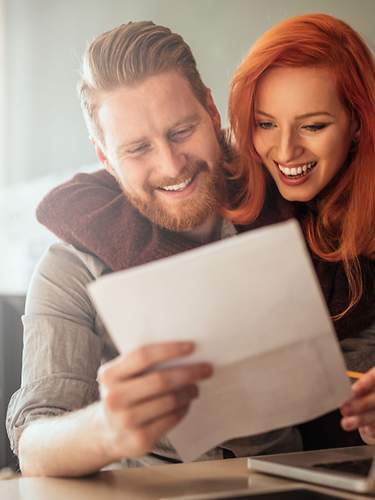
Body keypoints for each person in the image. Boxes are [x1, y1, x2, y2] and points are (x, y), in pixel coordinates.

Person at [6, 21, 302, 477]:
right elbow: (34, 442)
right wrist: (106, 428)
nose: (170, 165)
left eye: (182, 131)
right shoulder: (70, 267)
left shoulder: (288, 199)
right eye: (138, 148)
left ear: (211, 110)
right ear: (104, 157)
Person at [226, 13, 375, 443]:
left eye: (313, 126)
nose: (285, 150)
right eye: (265, 123)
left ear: (359, 124)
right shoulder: (231, 189)